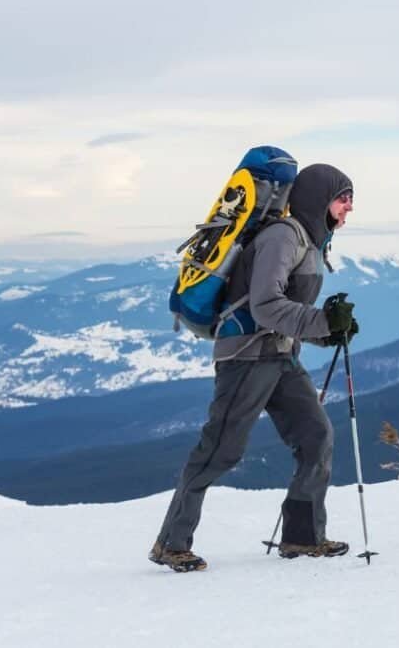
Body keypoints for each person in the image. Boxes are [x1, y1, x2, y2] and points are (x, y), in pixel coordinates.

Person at [150, 163, 359, 572]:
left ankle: (302, 538)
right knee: (219, 451)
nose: (349, 208)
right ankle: (170, 544)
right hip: (245, 356)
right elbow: (265, 305)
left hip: (279, 355)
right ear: (320, 198)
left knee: (316, 435)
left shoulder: (311, 241)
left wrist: (331, 331)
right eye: (343, 198)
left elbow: (286, 310)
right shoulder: (283, 237)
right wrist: (320, 322)